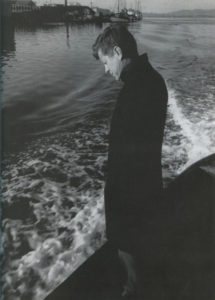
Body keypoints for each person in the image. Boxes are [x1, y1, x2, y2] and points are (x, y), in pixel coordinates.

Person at [92, 25, 168, 298]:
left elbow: (129, 152)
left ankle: (134, 288)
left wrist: (113, 197)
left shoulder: (134, 90)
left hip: (131, 190)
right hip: (149, 181)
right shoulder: (153, 80)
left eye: (105, 61)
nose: (106, 70)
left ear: (118, 52)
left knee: (127, 242)